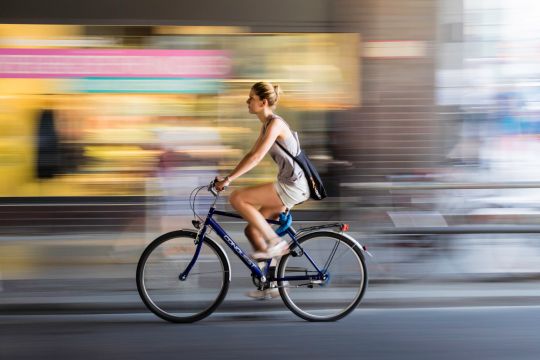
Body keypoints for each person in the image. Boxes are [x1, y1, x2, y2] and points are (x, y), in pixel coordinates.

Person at [214, 82, 310, 297]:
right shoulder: (266, 125)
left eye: (251, 98)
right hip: (290, 185)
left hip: (293, 186)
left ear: (263, 102)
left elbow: (256, 158)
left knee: (238, 198)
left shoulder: (275, 124)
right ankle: (272, 284)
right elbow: (251, 154)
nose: (247, 101)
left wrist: (229, 180)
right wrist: (228, 176)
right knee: (252, 230)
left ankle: (275, 242)